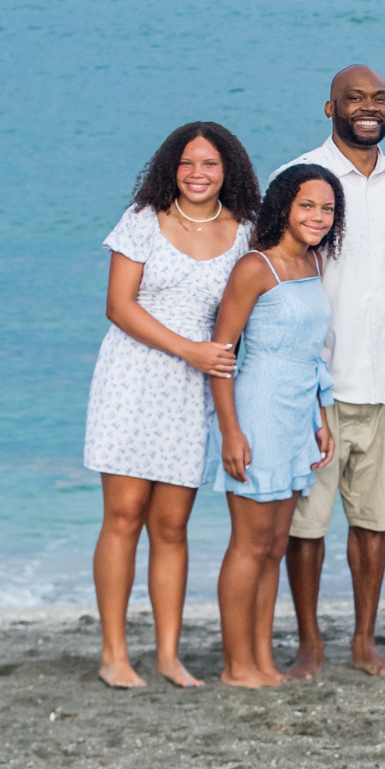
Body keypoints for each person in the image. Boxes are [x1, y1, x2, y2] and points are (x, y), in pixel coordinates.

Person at [85, 122, 259, 689]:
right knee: (123, 515)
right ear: (171, 167)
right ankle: (114, 653)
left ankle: (167, 655)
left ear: (227, 169)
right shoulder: (143, 221)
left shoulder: (244, 232)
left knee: (172, 525)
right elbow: (118, 305)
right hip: (133, 376)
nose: (197, 174)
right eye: (187, 163)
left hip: (193, 391)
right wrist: (190, 350)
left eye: (209, 164)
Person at [281, 65, 385, 680]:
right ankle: (310, 643)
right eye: (355, 99)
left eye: (379, 98)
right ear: (329, 107)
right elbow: (272, 270)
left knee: (375, 521)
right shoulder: (296, 180)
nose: (369, 108)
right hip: (317, 385)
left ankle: (364, 642)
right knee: (306, 526)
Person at [207, 164, 343, 688]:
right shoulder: (254, 267)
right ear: (284, 205)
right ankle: (236, 664)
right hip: (258, 410)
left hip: (297, 414)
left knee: (274, 544)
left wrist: (322, 418)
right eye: (307, 205)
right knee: (248, 542)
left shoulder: (311, 261)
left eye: (327, 208)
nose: (318, 216)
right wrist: (231, 431)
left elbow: (312, 352)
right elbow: (222, 354)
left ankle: (262, 659)